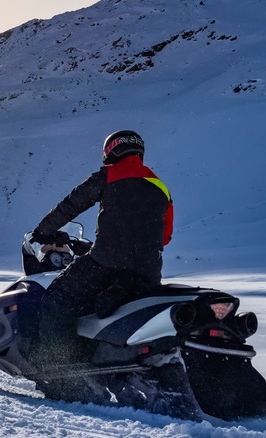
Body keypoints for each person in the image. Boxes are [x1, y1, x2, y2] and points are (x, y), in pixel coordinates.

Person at [30, 130, 173, 368]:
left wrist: (43, 230)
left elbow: (71, 205)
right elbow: (165, 236)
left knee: (57, 299)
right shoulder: (160, 186)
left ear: (110, 151)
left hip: (107, 263)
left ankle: (59, 364)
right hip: (148, 271)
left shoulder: (109, 175)